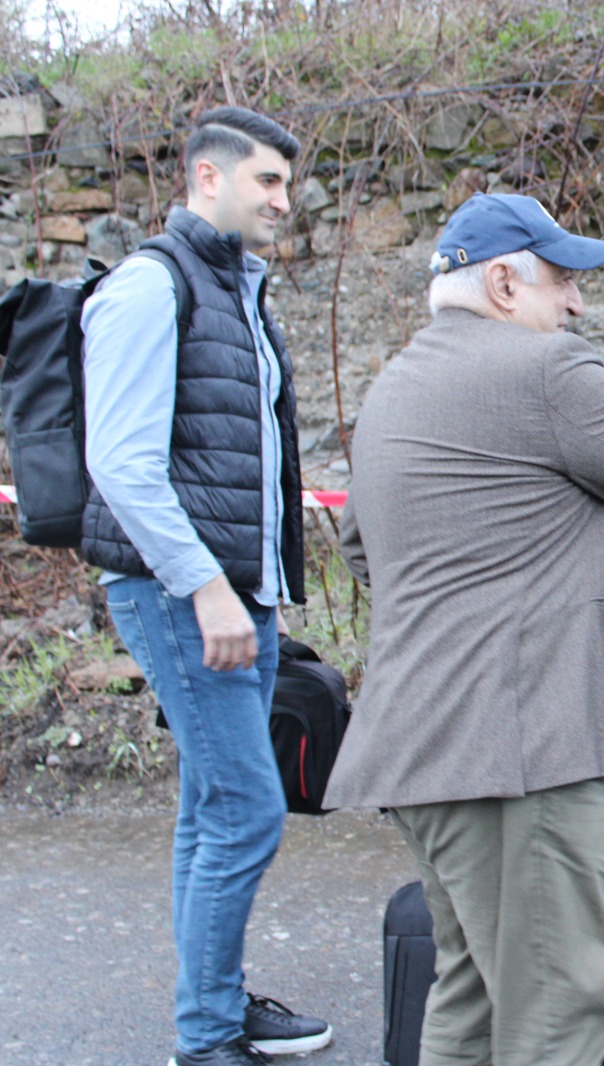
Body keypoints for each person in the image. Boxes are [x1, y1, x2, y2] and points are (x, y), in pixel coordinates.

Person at [323, 193, 604, 1066]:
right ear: (504, 282)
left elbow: (364, 549)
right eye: (563, 281)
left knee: (473, 995)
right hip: (521, 756)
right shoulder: (544, 371)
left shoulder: (394, 388)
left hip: (423, 749)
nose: (577, 303)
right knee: (558, 1013)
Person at [80, 107, 331, 1066]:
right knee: (246, 809)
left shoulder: (235, 290)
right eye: (266, 181)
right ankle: (206, 1036)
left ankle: (213, 1005)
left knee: (211, 807)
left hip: (237, 593)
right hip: (187, 596)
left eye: (286, 183)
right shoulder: (153, 286)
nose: (283, 200)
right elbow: (124, 464)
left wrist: (258, 585)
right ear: (205, 180)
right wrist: (208, 590)